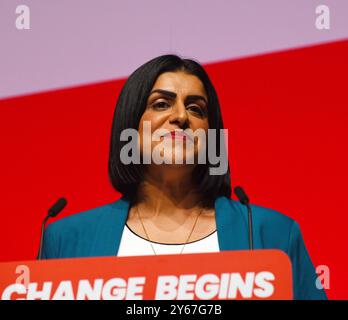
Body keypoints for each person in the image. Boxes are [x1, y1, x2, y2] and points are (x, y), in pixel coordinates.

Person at [42, 54, 327, 300]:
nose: (181, 116)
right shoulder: (65, 240)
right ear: (130, 125)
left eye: (196, 108)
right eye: (161, 104)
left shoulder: (270, 232)